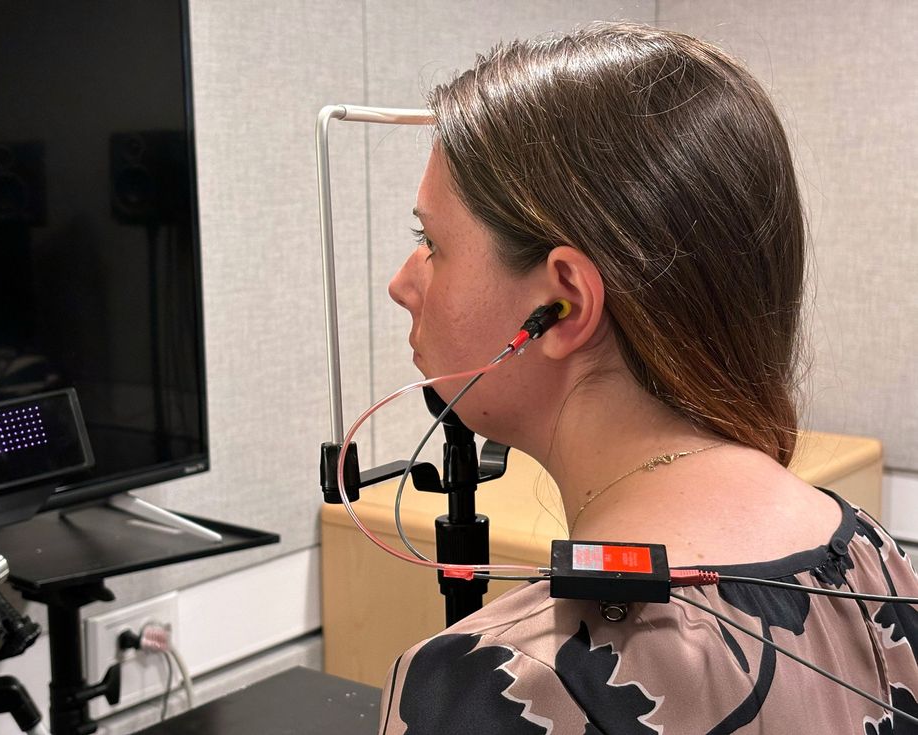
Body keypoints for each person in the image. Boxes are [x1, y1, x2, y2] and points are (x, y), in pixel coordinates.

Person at [381, 23, 918, 734]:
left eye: (431, 243)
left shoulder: (496, 687)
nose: (401, 284)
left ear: (563, 301)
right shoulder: (873, 561)